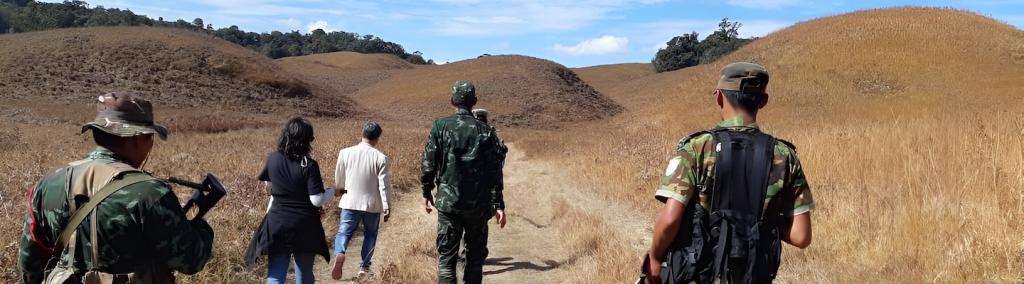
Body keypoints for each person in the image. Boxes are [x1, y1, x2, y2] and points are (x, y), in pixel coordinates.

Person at [18, 92, 214, 284]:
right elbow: (192, 261)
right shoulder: (151, 193)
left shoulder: (47, 183)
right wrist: (200, 228)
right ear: (136, 139)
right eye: (150, 138)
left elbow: (30, 261)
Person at [645, 62, 814, 284]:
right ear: (763, 101)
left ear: (719, 98)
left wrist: (655, 259)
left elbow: (670, 220)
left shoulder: (698, 148)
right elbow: (801, 236)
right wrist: (762, 219)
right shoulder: (784, 155)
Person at [422, 80, 507, 284]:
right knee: (475, 260)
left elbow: (428, 163)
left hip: (449, 205)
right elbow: (494, 171)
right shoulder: (486, 131)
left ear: (452, 101)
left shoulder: (440, 127)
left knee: (446, 260)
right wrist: (498, 205)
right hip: (478, 206)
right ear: (474, 101)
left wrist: (426, 191)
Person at [245, 117, 334, 284]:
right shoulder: (309, 164)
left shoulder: (272, 159)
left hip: (277, 222)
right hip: (304, 224)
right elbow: (316, 200)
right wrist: (333, 192)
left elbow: (269, 187)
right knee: (304, 271)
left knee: (276, 272)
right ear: (307, 140)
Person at [330, 121, 392, 280]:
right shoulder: (381, 158)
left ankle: (340, 252)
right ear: (377, 138)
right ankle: (364, 267)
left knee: (344, 231)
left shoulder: (345, 152)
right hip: (372, 204)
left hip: (349, 201)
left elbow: (340, 177)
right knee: (370, 234)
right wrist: (386, 206)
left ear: (362, 134)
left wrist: (340, 190)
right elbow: (383, 185)